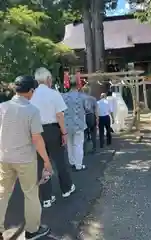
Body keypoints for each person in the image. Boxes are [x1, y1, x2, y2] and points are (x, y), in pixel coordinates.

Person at [0, 76, 51, 239]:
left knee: (2, 193)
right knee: (30, 194)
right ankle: (32, 230)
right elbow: (37, 139)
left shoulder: (2, 107)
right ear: (30, 91)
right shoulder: (32, 111)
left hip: (4, 156)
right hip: (25, 159)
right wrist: (47, 161)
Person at [30, 67, 75, 208]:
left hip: (37, 131)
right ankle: (66, 189)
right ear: (48, 79)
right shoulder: (54, 94)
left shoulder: (31, 95)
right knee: (60, 161)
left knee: (42, 163)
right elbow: (59, 115)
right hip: (53, 130)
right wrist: (64, 132)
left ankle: (46, 198)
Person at [62, 78, 87, 171]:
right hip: (79, 123)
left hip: (67, 124)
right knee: (78, 144)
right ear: (78, 85)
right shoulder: (82, 96)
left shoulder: (64, 96)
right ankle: (79, 165)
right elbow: (87, 108)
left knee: (70, 144)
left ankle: (72, 162)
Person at [82, 87, 98, 154]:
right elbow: (96, 110)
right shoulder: (93, 99)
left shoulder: (81, 99)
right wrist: (97, 118)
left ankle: (84, 150)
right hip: (91, 116)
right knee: (93, 133)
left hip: (83, 116)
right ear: (89, 91)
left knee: (84, 134)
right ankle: (94, 148)